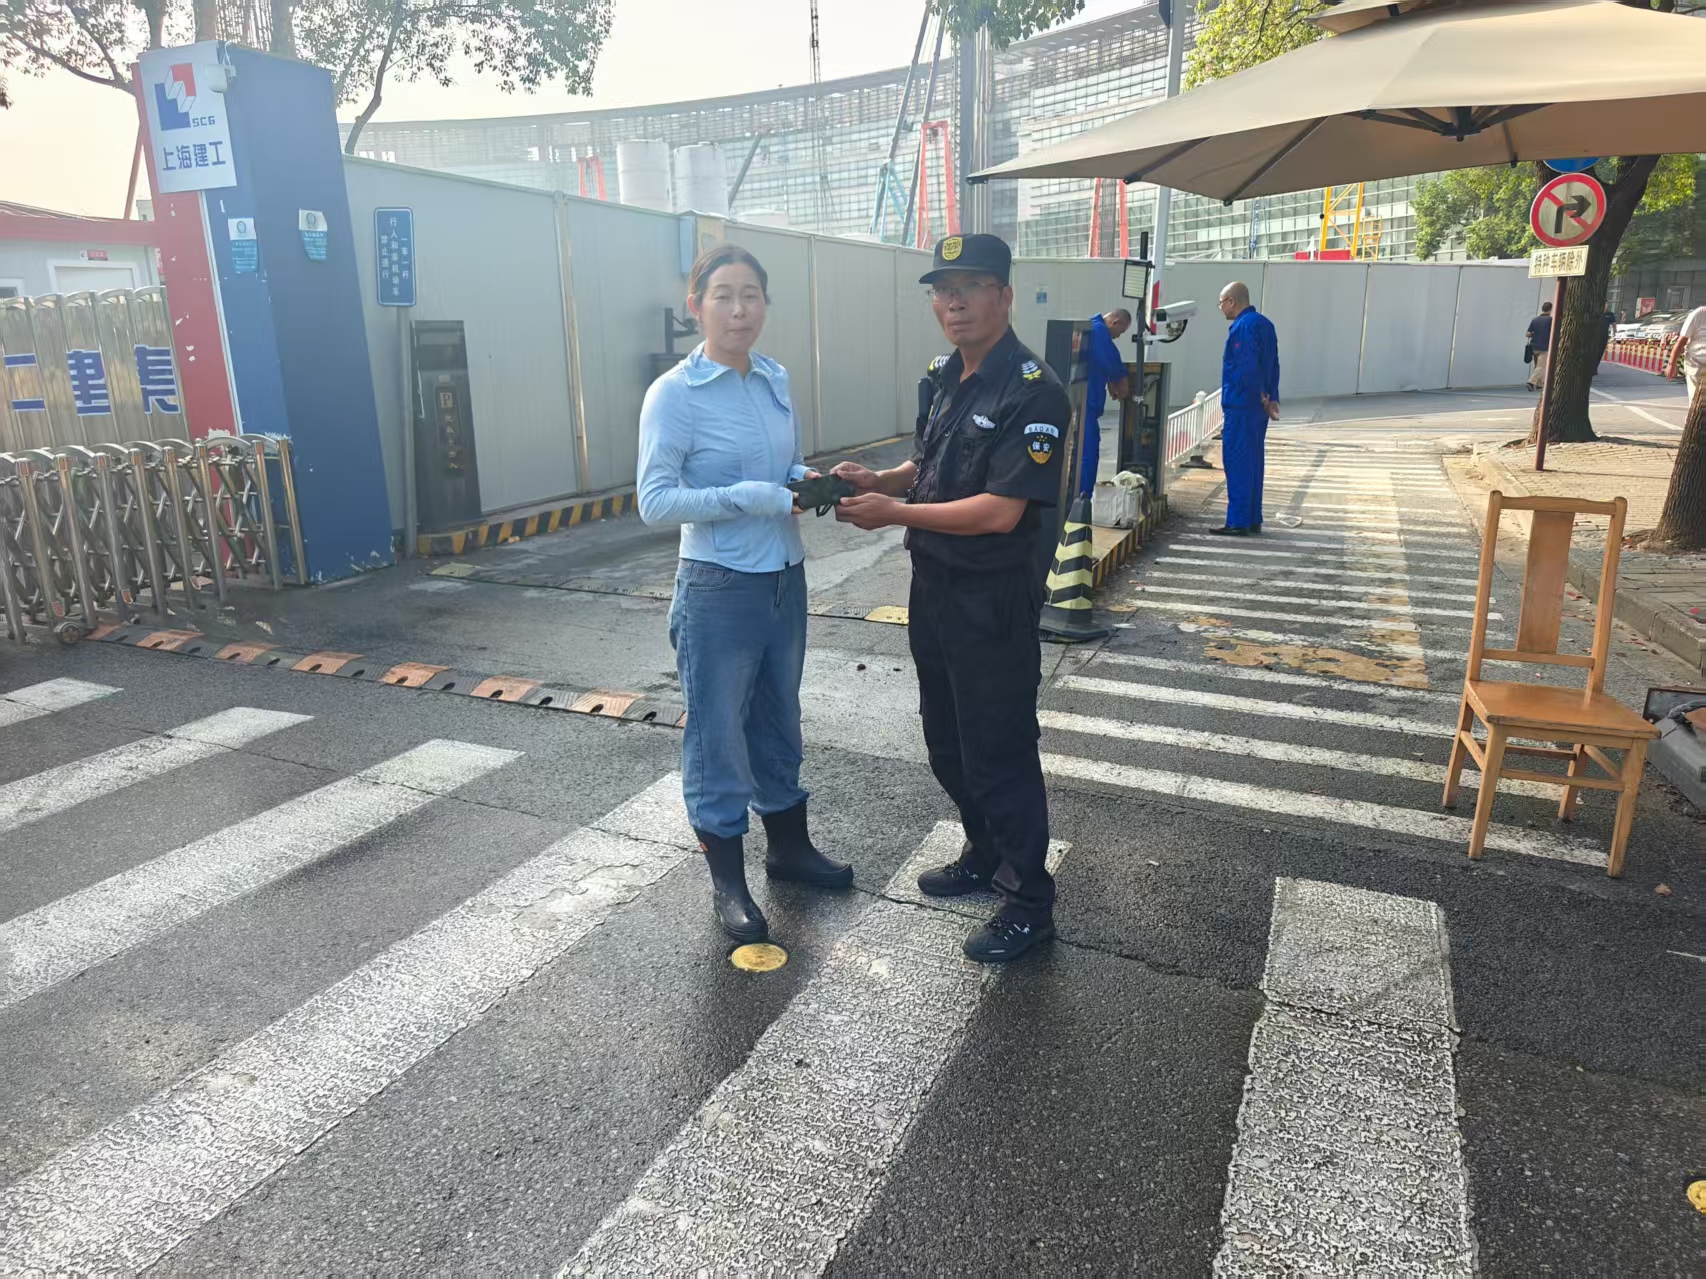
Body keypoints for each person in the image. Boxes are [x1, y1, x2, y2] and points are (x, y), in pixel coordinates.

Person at [830, 233, 1068, 964]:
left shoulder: (1033, 390)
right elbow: (928, 462)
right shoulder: (941, 376)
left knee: (999, 747)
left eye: (970, 287)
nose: (953, 302)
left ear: (1005, 295)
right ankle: (983, 850)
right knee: (946, 739)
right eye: (942, 290)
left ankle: (1028, 900)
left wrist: (893, 513)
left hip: (991, 596)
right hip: (933, 586)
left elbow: (1000, 510)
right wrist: (879, 481)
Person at [636, 242, 853, 945]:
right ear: (695, 307)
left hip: (785, 577)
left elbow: (780, 464)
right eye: (723, 296)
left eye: (751, 295)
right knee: (718, 732)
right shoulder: (675, 394)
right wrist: (751, 496)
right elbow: (654, 501)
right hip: (719, 585)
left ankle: (789, 847)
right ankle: (727, 881)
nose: (739, 309)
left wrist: (801, 478)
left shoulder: (773, 377)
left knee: (778, 717)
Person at [1213, 281, 1280, 537]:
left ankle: (1238, 521)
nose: (1221, 308)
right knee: (1253, 461)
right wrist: (1271, 396)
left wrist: (1258, 393)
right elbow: (1273, 364)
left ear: (1232, 301)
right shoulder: (1265, 324)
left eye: (1221, 303)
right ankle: (1253, 518)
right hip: (1258, 408)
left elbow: (1246, 367)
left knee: (1237, 462)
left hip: (1242, 404)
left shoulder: (1242, 327)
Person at [1079, 308, 1132, 495]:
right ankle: (1083, 497)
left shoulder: (1091, 328)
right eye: (1120, 332)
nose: (1118, 336)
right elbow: (1109, 359)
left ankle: (1079, 496)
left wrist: (1110, 380)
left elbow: (1099, 361)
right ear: (1115, 322)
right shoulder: (1100, 331)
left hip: (1084, 402)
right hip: (1086, 403)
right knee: (1087, 454)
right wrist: (1121, 380)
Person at [1679, 302, 1706, 405]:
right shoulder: (1698, 314)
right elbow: (1682, 340)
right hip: (1696, 364)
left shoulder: (1699, 313)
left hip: (1697, 363)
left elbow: (1682, 340)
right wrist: (1671, 363)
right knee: (1696, 398)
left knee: (1698, 400)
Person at [1526, 301, 1553, 393]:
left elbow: (1528, 333)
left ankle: (1539, 385)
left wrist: (1535, 334)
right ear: (1550, 310)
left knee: (1538, 366)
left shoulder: (1535, 320)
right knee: (1541, 366)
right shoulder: (1551, 320)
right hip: (1544, 346)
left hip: (1534, 346)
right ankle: (1531, 382)